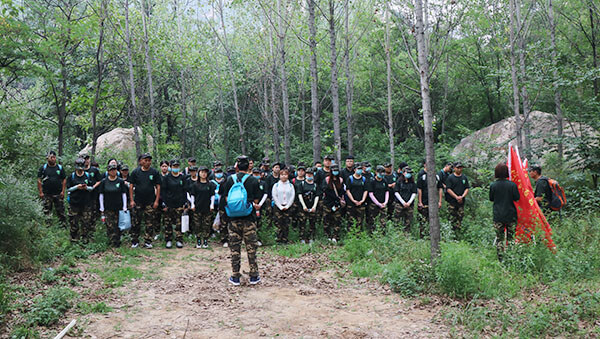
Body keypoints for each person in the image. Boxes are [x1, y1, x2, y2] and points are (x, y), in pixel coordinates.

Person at [219, 155, 262, 286]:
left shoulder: (228, 180)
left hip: (233, 219)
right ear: (249, 166)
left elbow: (225, 198)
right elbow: (256, 200)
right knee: (251, 248)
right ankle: (254, 276)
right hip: (249, 219)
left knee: (235, 248)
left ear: (236, 166)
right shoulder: (254, 181)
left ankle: (235, 276)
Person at [128, 153, 161, 248]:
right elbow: (131, 186)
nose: (147, 162)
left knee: (150, 222)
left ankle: (148, 241)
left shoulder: (154, 172)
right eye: (145, 160)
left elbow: (158, 186)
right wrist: (131, 200)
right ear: (140, 161)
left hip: (150, 201)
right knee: (136, 222)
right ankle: (135, 241)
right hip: (138, 201)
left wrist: (156, 201)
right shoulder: (135, 172)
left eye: (149, 160)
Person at [490, 163, 520, 261]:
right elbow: (517, 198)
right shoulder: (512, 185)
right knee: (511, 238)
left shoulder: (493, 185)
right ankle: (511, 257)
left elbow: (491, 199)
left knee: (499, 238)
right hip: (511, 215)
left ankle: (501, 259)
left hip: (498, 215)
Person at [98, 163, 128, 248]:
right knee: (109, 225)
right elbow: (101, 195)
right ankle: (111, 241)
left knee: (118, 225)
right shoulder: (104, 182)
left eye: (114, 170)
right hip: (108, 206)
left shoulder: (120, 181)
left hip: (119, 206)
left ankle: (117, 241)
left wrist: (125, 206)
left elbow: (124, 194)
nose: (113, 171)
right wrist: (101, 207)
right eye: (111, 170)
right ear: (108, 171)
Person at [66, 158, 94, 243]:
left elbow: (92, 187)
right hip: (74, 203)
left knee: (86, 222)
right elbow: (68, 189)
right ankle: (74, 238)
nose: (80, 170)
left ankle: (85, 238)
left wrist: (86, 187)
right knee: (73, 222)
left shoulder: (88, 175)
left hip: (86, 202)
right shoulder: (72, 176)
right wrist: (77, 187)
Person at [161, 159, 188, 249]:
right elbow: (163, 191)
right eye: (174, 166)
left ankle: (179, 240)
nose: (175, 168)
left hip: (179, 204)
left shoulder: (182, 178)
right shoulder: (166, 178)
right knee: (168, 223)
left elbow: (185, 191)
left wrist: (185, 203)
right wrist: (164, 203)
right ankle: (168, 240)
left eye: (177, 166)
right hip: (169, 204)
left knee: (179, 223)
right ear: (170, 167)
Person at [188, 166, 216, 249]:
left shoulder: (210, 184)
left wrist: (212, 205)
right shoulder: (195, 185)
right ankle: (198, 240)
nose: (204, 174)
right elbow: (192, 195)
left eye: (205, 172)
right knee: (197, 224)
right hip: (197, 207)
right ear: (199, 173)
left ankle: (206, 240)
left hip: (207, 207)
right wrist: (192, 205)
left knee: (206, 224)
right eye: (202, 172)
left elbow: (213, 195)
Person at [37, 151, 67, 227]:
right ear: (47, 158)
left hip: (58, 193)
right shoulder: (43, 168)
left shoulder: (59, 168)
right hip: (47, 194)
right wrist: (40, 192)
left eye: (54, 157)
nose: (53, 159)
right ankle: (48, 225)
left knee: (61, 210)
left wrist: (63, 191)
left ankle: (63, 225)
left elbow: (64, 179)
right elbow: (39, 180)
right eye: (51, 157)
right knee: (47, 210)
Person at [416, 160, 443, 238]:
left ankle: (433, 237)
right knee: (423, 221)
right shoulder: (422, 175)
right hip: (424, 202)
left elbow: (440, 188)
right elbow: (419, 189)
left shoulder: (436, 176)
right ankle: (422, 237)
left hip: (434, 203)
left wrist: (440, 201)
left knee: (433, 221)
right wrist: (420, 202)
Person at [321, 164, 345, 243]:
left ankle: (335, 236)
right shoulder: (327, 180)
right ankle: (328, 236)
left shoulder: (340, 180)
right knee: (326, 220)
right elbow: (325, 190)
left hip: (337, 203)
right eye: (334, 170)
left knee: (337, 220)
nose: (335, 172)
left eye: (337, 170)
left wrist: (339, 200)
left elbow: (342, 191)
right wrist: (334, 197)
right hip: (327, 203)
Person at [445, 162, 470, 235]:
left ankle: (458, 233)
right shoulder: (450, 177)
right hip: (452, 201)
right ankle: (451, 233)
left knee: (460, 217)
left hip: (461, 202)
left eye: (461, 167)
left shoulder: (464, 177)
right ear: (454, 168)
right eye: (458, 168)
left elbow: (467, 188)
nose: (459, 169)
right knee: (452, 217)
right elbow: (448, 189)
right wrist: (456, 197)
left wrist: (462, 196)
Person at [272, 168, 295, 244]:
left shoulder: (291, 186)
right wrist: (280, 206)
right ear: (279, 176)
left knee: (286, 223)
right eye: (282, 175)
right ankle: (278, 239)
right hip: (278, 207)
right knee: (278, 223)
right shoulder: (276, 185)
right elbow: (274, 196)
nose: (283, 176)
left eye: (285, 174)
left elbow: (292, 196)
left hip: (287, 206)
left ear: (288, 176)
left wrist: (288, 206)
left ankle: (285, 239)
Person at [297, 167, 321, 244]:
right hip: (303, 206)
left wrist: (314, 206)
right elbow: (300, 195)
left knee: (312, 223)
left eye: (310, 174)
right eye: (308, 174)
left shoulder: (315, 185)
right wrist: (304, 206)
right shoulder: (302, 184)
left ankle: (311, 238)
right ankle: (302, 238)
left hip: (312, 206)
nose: (309, 175)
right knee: (302, 223)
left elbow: (317, 196)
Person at [394, 166, 417, 233]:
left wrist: (409, 202)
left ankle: (407, 234)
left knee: (408, 221)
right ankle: (397, 233)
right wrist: (403, 202)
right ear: (403, 173)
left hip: (410, 204)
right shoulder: (399, 181)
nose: (409, 174)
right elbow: (396, 192)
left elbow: (414, 192)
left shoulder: (412, 182)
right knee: (397, 220)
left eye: (410, 173)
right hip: (399, 204)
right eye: (408, 172)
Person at [345, 164, 368, 229]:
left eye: (361, 169)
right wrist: (353, 200)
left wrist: (362, 200)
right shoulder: (350, 178)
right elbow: (348, 190)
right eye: (358, 169)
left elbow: (366, 190)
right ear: (354, 170)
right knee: (351, 220)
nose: (360, 170)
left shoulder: (364, 179)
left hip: (361, 203)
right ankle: (351, 234)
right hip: (351, 203)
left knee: (360, 220)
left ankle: (359, 235)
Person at [367, 166, 389, 231]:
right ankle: (372, 234)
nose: (381, 175)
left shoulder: (384, 180)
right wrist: (378, 203)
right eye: (380, 173)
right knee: (372, 220)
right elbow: (371, 194)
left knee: (383, 221)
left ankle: (382, 234)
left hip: (383, 203)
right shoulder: (372, 181)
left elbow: (386, 191)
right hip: (373, 204)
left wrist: (385, 202)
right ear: (376, 172)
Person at [211, 167, 229, 247]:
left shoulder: (235, 181)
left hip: (233, 205)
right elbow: (220, 193)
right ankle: (224, 239)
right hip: (222, 205)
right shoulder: (223, 182)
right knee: (223, 223)